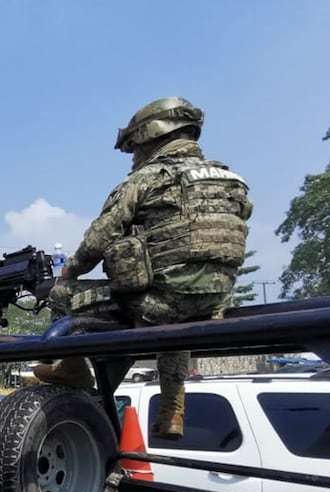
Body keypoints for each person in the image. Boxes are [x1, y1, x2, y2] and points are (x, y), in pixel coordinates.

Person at [34, 97, 252, 440]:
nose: (134, 157)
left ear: (150, 137)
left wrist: (70, 271)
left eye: (135, 148)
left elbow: (98, 239)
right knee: (176, 318)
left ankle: (72, 370)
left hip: (157, 304)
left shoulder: (145, 179)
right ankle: (171, 413)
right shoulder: (231, 179)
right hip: (215, 304)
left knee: (62, 295)